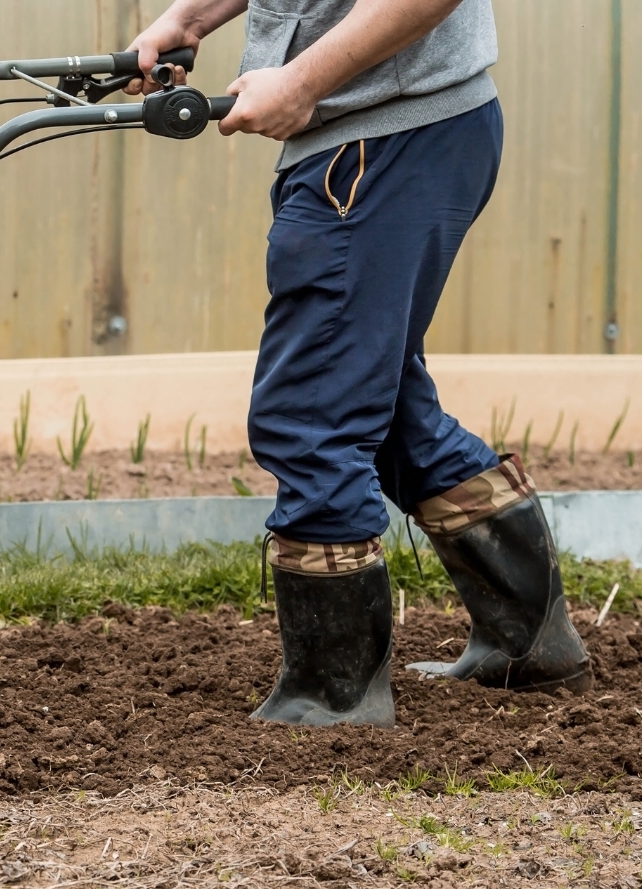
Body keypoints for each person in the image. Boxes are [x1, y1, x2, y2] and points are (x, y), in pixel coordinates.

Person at [124, 0, 591, 727]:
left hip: (384, 141)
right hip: (380, 140)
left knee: (312, 414)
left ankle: (331, 696)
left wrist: (304, 81)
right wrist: (186, 22)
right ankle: (528, 641)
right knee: (392, 410)